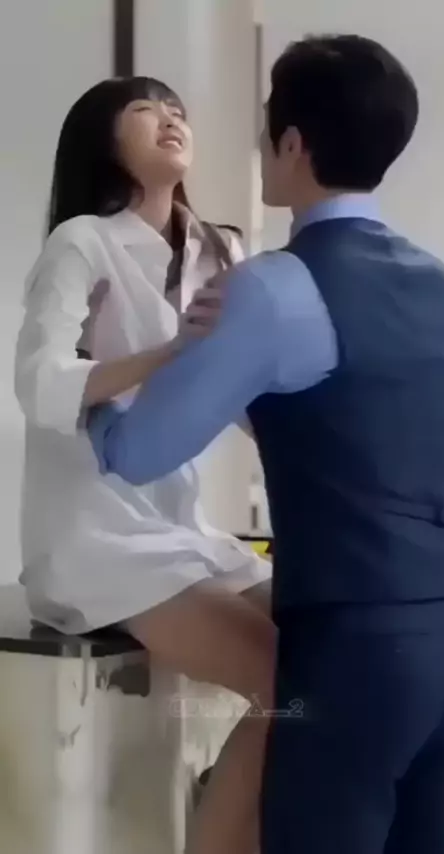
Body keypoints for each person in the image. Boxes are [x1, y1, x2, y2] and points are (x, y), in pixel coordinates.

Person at [87, 35, 444, 854]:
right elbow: (351, 416)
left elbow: (135, 452)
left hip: (357, 648)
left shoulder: (270, 288)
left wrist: (94, 375)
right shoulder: (441, 285)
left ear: (292, 143)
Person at [14, 76, 274, 854]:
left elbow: (241, 388)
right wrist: (171, 353)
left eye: (176, 110)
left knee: (334, 640)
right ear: (103, 140)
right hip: (94, 539)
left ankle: (221, 800)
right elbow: (39, 383)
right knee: (282, 679)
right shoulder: (83, 242)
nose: (169, 120)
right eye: (144, 110)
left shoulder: (218, 249)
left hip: (179, 529)